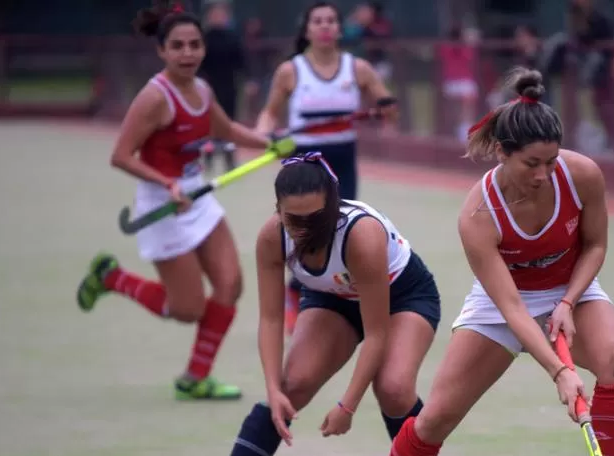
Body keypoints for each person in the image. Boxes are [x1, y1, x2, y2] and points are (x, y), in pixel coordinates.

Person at [333, 67, 614, 456]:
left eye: (551, 161)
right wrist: (560, 372)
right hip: (504, 304)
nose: (544, 175)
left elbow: (595, 245)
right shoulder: (478, 215)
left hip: (572, 288)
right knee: (437, 416)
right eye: (531, 163)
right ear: (502, 153)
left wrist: (568, 301)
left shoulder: (582, 174)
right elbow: (510, 307)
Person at [190, 153, 441, 456]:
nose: (305, 230)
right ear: (279, 210)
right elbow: (272, 320)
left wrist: (347, 405)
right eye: (294, 220)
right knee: (293, 386)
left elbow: (376, 333)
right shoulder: (271, 237)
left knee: (392, 387)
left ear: (334, 203)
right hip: (333, 299)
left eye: (316, 218)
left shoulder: (361, 235)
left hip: (402, 297)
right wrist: (273, 389)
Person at [75, 1, 284, 401]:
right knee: (187, 309)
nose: (187, 53)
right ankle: (111, 278)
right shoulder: (155, 98)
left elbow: (228, 130)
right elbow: (121, 155)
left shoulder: (203, 90)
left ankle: (194, 378)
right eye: (178, 46)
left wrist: (271, 143)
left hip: (198, 199)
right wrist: (167, 185)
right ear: (162, 51)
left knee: (230, 284)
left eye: (194, 45)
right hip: (162, 206)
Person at [254, 1, 397, 336]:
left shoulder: (357, 68)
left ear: (338, 28)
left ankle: (329, 296)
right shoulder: (291, 71)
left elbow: (387, 105)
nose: (324, 26)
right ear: (307, 29)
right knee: (304, 229)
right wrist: (266, 135)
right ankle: (295, 292)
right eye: (317, 21)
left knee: (338, 228)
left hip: (343, 159)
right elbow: (269, 114)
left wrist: (385, 109)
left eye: (331, 21)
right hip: (304, 159)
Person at [198, 0, 246, 173]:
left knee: (229, 124)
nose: (218, 16)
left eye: (221, 13)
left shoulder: (233, 38)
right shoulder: (204, 39)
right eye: (215, 13)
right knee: (209, 125)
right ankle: (208, 160)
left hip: (229, 88)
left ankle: (229, 159)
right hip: (209, 88)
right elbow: (199, 65)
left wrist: (248, 81)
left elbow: (241, 62)